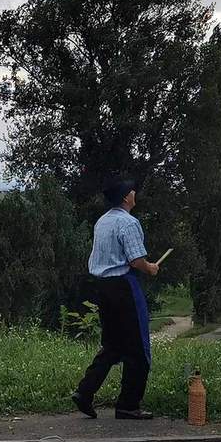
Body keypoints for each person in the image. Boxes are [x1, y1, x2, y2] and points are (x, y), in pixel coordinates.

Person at [71, 178, 160, 420]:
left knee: (112, 346)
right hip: (123, 286)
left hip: (101, 287)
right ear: (125, 198)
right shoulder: (128, 222)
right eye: (132, 191)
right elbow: (135, 261)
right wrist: (150, 268)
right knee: (139, 350)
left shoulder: (103, 221)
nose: (135, 193)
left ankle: (84, 392)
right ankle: (128, 405)